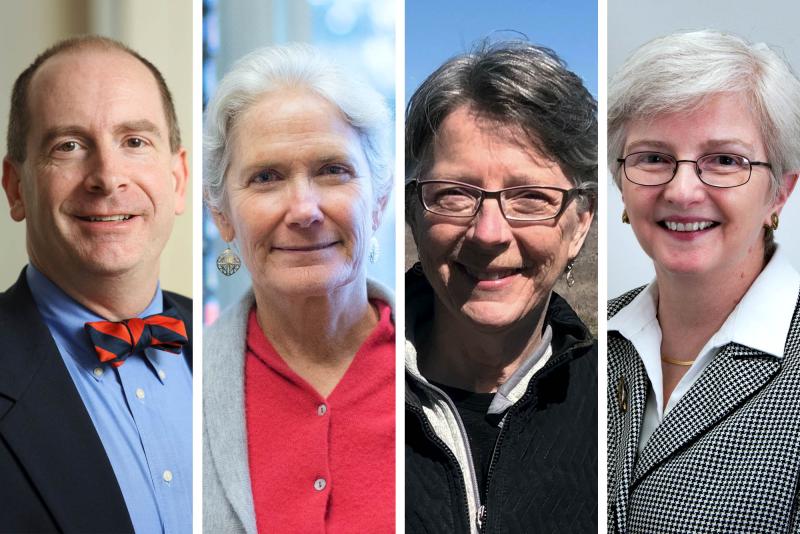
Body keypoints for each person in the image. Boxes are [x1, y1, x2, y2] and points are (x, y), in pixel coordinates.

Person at [607, 30, 800, 533]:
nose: (683, 190)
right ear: (620, 182)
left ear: (780, 192)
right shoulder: (587, 340)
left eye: (724, 160)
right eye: (653, 157)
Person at [0, 36, 191, 533]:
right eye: (69, 146)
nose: (107, 177)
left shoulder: (242, 346)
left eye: (135, 141)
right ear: (16, 188)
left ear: (179, 178)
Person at [405, 41, 597, 533]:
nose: (489, 233)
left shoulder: (617, 410)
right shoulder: (347, 385)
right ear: (413, 212)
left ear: (579, 225)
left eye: (530, 196)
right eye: (454, 194)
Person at [203, 44, 394, 533]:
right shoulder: (183, 383)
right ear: (222, 215)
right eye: (266, 177)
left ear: (378, 202)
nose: (304, 209)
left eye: (333, 170)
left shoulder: (445, 369)